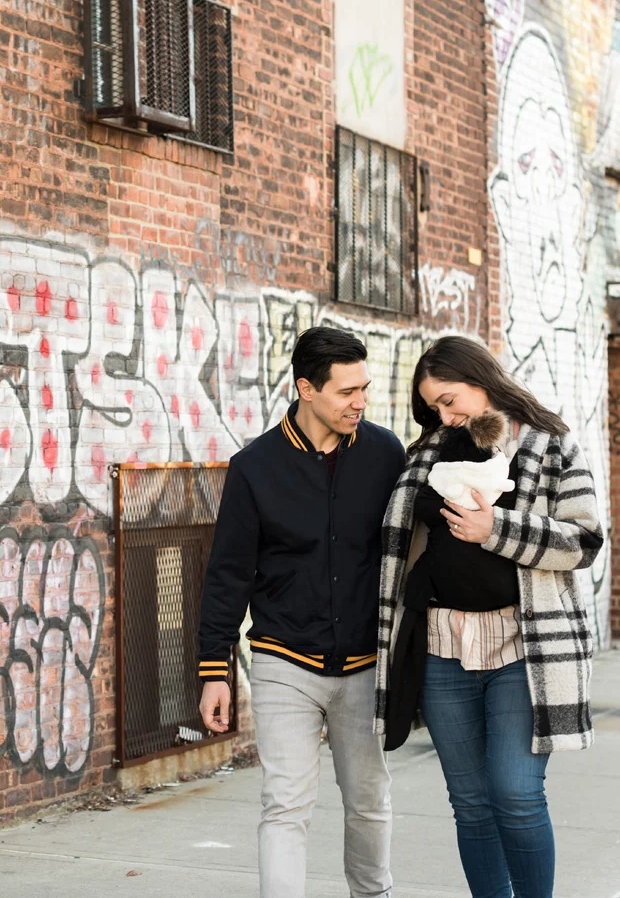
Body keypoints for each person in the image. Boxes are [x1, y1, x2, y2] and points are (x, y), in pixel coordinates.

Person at [375, 335, 603, 898]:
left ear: (482, 381)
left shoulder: (551, 446)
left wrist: (494, 529)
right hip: (442, 648)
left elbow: (584, 541)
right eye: (434, 408)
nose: (445, 416)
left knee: (516, 793)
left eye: (450, 400)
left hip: (524, 649)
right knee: (471, 802)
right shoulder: (428, 451)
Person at [198, 326, 405, 898]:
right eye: (347, 392)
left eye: (364, 388)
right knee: (285, 805)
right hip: (284, 663)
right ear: (306, 389)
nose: (360, 402)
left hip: (364, 666)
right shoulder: (254, 468)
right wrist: (214, 669)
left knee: (369, 800)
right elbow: (228, 575)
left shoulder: (385, 453)